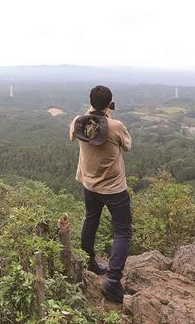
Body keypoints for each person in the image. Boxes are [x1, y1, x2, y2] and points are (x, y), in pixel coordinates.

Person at [69, 85, 132, 303]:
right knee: (122, 231)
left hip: (89, 186)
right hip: (114, 189)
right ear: (109, 104)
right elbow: (128, 146)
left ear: (90, 102)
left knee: (91, 220)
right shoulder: (115, 126)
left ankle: (89, 262)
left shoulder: (79, 121)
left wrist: (94, 113)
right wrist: (108, 116)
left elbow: (72, 136)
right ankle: (112, 280)